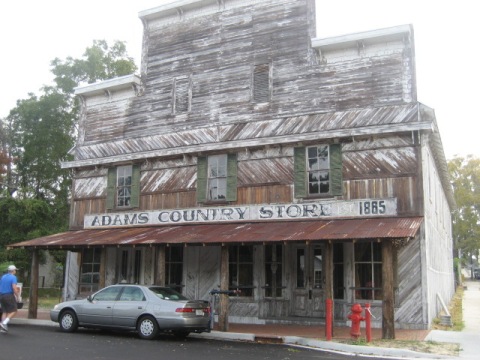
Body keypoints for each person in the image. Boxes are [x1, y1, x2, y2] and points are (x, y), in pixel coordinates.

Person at [0, 265, 20, 333]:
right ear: (13, 271)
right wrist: (17, 296)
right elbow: (14, 288)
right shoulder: (13, 277)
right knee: (14, 310)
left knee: (4, 311)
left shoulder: (3, 277)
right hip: (9, 295)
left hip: (2, 295)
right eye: (15, 270)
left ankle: (3, 328)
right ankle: (4, 323)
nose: (15, 271)